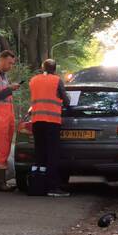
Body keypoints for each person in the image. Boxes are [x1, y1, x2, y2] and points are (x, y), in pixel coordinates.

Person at [28, 58, 71, 197]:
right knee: (52, 154)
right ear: (55, 69)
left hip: (36, 121)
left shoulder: (33, 80)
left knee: (39, 153)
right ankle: (53, 187)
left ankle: (38, 186)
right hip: (52, 122)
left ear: (42, 68)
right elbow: (66, 100)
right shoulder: (57, 80)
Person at [0, 50, 20, 192]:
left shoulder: (4, 76)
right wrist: (10, 89)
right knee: (1, 147)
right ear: (1, 59)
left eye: (12, 64)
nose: (10, 66)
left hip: (7, 115)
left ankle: (0, 180)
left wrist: (10, 88)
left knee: (5, 147)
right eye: (9, 63)